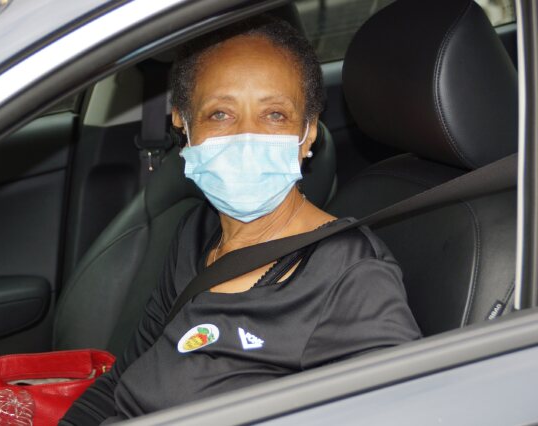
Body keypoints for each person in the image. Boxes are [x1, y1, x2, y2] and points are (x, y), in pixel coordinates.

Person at [60, 14, 420, 425]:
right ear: (182, 122)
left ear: (308, 134)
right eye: (220, 114)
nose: (247, 137)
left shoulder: (349, 276)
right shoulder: (195, 232)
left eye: (275, 115)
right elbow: (123, 381)